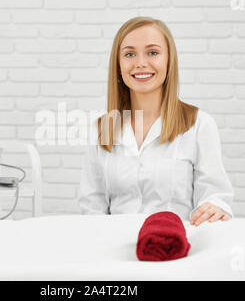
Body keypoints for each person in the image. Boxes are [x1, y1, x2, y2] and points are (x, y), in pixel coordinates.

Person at [78, 16, 234, 226]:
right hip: (115, 248)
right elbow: (91, 208)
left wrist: (215, 207)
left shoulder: (199, 125)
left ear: (169, 60)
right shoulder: (102, 129)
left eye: (153, 52)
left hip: (176, 249)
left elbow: (214, 196)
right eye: (129, 54)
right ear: (118, 64)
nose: (141, 63)